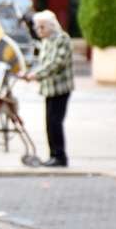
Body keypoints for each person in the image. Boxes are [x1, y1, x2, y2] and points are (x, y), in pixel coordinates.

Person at [25, 10, 74, 168]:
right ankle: (53, 155)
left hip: (60, 88)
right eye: (37, 28)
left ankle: (60, 156)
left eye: (42, 27)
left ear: (51, 26)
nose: (39, 31)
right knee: (49, 123)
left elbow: (55, 63)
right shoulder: (46, 41)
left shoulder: (62, 39)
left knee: (55, 122)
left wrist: (35, 75)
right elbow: (42, 62)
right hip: (48, 88)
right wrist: (29, 72)